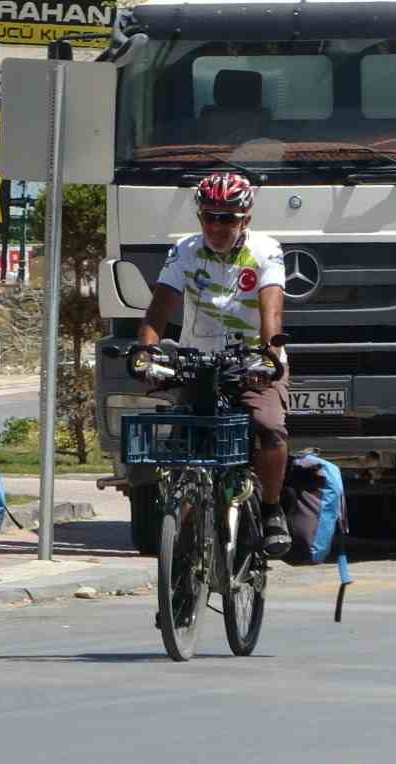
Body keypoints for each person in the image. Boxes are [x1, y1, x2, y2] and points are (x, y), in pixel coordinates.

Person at [137, 172, 293, 558]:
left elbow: (271, 311)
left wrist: (269, 354)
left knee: (269, 427)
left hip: (253, 360)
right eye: (210, 217)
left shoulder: (266, 250)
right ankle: (183, 552)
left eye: (228, 218)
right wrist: (147, 353)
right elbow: (158, 312)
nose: (217, 227)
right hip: (199, 360)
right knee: (186, 446)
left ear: (246, 219)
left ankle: (272, 511)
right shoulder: (184, 251)